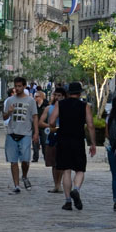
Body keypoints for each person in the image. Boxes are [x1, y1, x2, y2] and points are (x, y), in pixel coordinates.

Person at [48, 80, 95, 211]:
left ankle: (68, 201)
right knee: (80, 169)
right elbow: (90, 125)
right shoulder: (85, 106)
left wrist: (55, 128)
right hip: (78, 140)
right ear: (80, 93)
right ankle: (76, 189)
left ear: (68, 93)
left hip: (63, 139)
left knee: (66, 170)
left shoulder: (60, 104)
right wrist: (93, 143)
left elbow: (51, 121)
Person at [2, 76, 39, 192]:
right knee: (13, 161)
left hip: (25, 133)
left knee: (25, 160)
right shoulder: (10, 100)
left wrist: (36, 132)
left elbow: (35, 117)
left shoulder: (30, 101)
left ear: (24, 86)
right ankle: (16, 185)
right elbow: (4, 117)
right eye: (15, 86)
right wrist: (9, 112)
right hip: (12, 132)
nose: (17, 88)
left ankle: (24, 176)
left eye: (19, 86)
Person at [38, 85, 65, 192]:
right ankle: (56, 184)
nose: (57, 97)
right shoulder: (49, 108)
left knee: (61, 162)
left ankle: (60, 183)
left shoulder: (66, 108)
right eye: (55, 95)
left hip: (63, 136)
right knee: (53, 163)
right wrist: (50, 126)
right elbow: (40, 122)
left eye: (59, 95)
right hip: (52, 136)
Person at [32, 88, 47, 163]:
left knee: (44, 142)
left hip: (44, 127)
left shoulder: (46, 105)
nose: (35, 98)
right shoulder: (33, 105)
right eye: (34, 96)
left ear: (41, 97)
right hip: (35, 126)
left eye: (36, 96)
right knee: (35, 142)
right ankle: (35, 157)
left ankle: (46, 157)